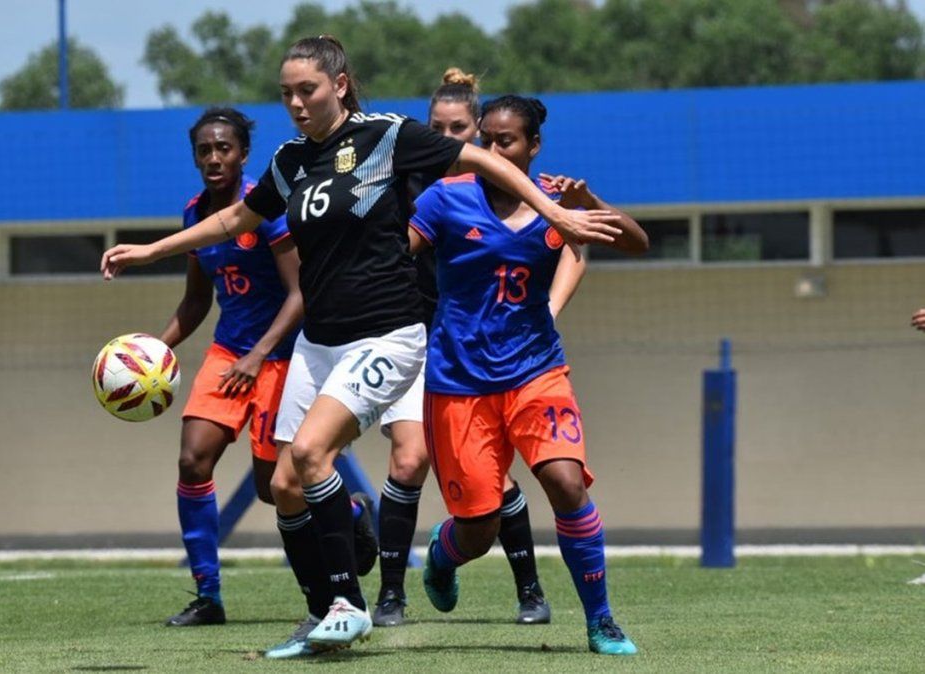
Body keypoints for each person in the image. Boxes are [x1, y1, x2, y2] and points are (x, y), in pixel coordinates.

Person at [101, 36, 627, 656]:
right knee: (284, 487)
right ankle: (320, 613)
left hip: (387, 334)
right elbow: (236, 219)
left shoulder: (386, 136)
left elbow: (485, 162)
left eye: (308, 90)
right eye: (287, 93)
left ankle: (349, 606)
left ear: (340, 85)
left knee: (311, 453)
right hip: (318, 342)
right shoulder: (291, 160)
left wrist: (555, 213)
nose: (296, 103)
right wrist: (153, 250)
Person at [410, 95, 647, 656]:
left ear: (533, 145)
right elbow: (396, 252)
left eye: (506, 140)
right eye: (486, 140)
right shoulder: (445, 198)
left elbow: (637, 243)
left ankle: (602, 621)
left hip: (536, 373)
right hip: (459, 384)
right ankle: (443, 558)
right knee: (479, 528)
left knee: (566, 483)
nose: (493, 149)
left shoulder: (557, 204)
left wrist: (590, 203)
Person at [372, 68, 582, 628]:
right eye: (436, 130)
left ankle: (529, 589)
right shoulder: (404, 184)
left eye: (459, 129)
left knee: (499, 483)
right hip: (411, 340)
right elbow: (382, 255)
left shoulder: (517, 187)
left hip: (488, 354)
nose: (448, 141)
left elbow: (572, 242)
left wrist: (550, 308)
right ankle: (391, 595)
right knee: (409, 459)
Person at [159, 107, 304, 626]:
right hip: (228, 355)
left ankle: (349, 515)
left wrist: (259, 353)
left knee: (272, 488)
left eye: (224, 148)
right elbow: (198, 300)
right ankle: (208, 596)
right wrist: (156, 350)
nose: (214, 157)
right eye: (205, 150)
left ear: (243, 154)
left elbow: (300, 293)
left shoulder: (265, 206)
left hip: (280, 356)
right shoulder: (195, 214)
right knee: (192, 461)